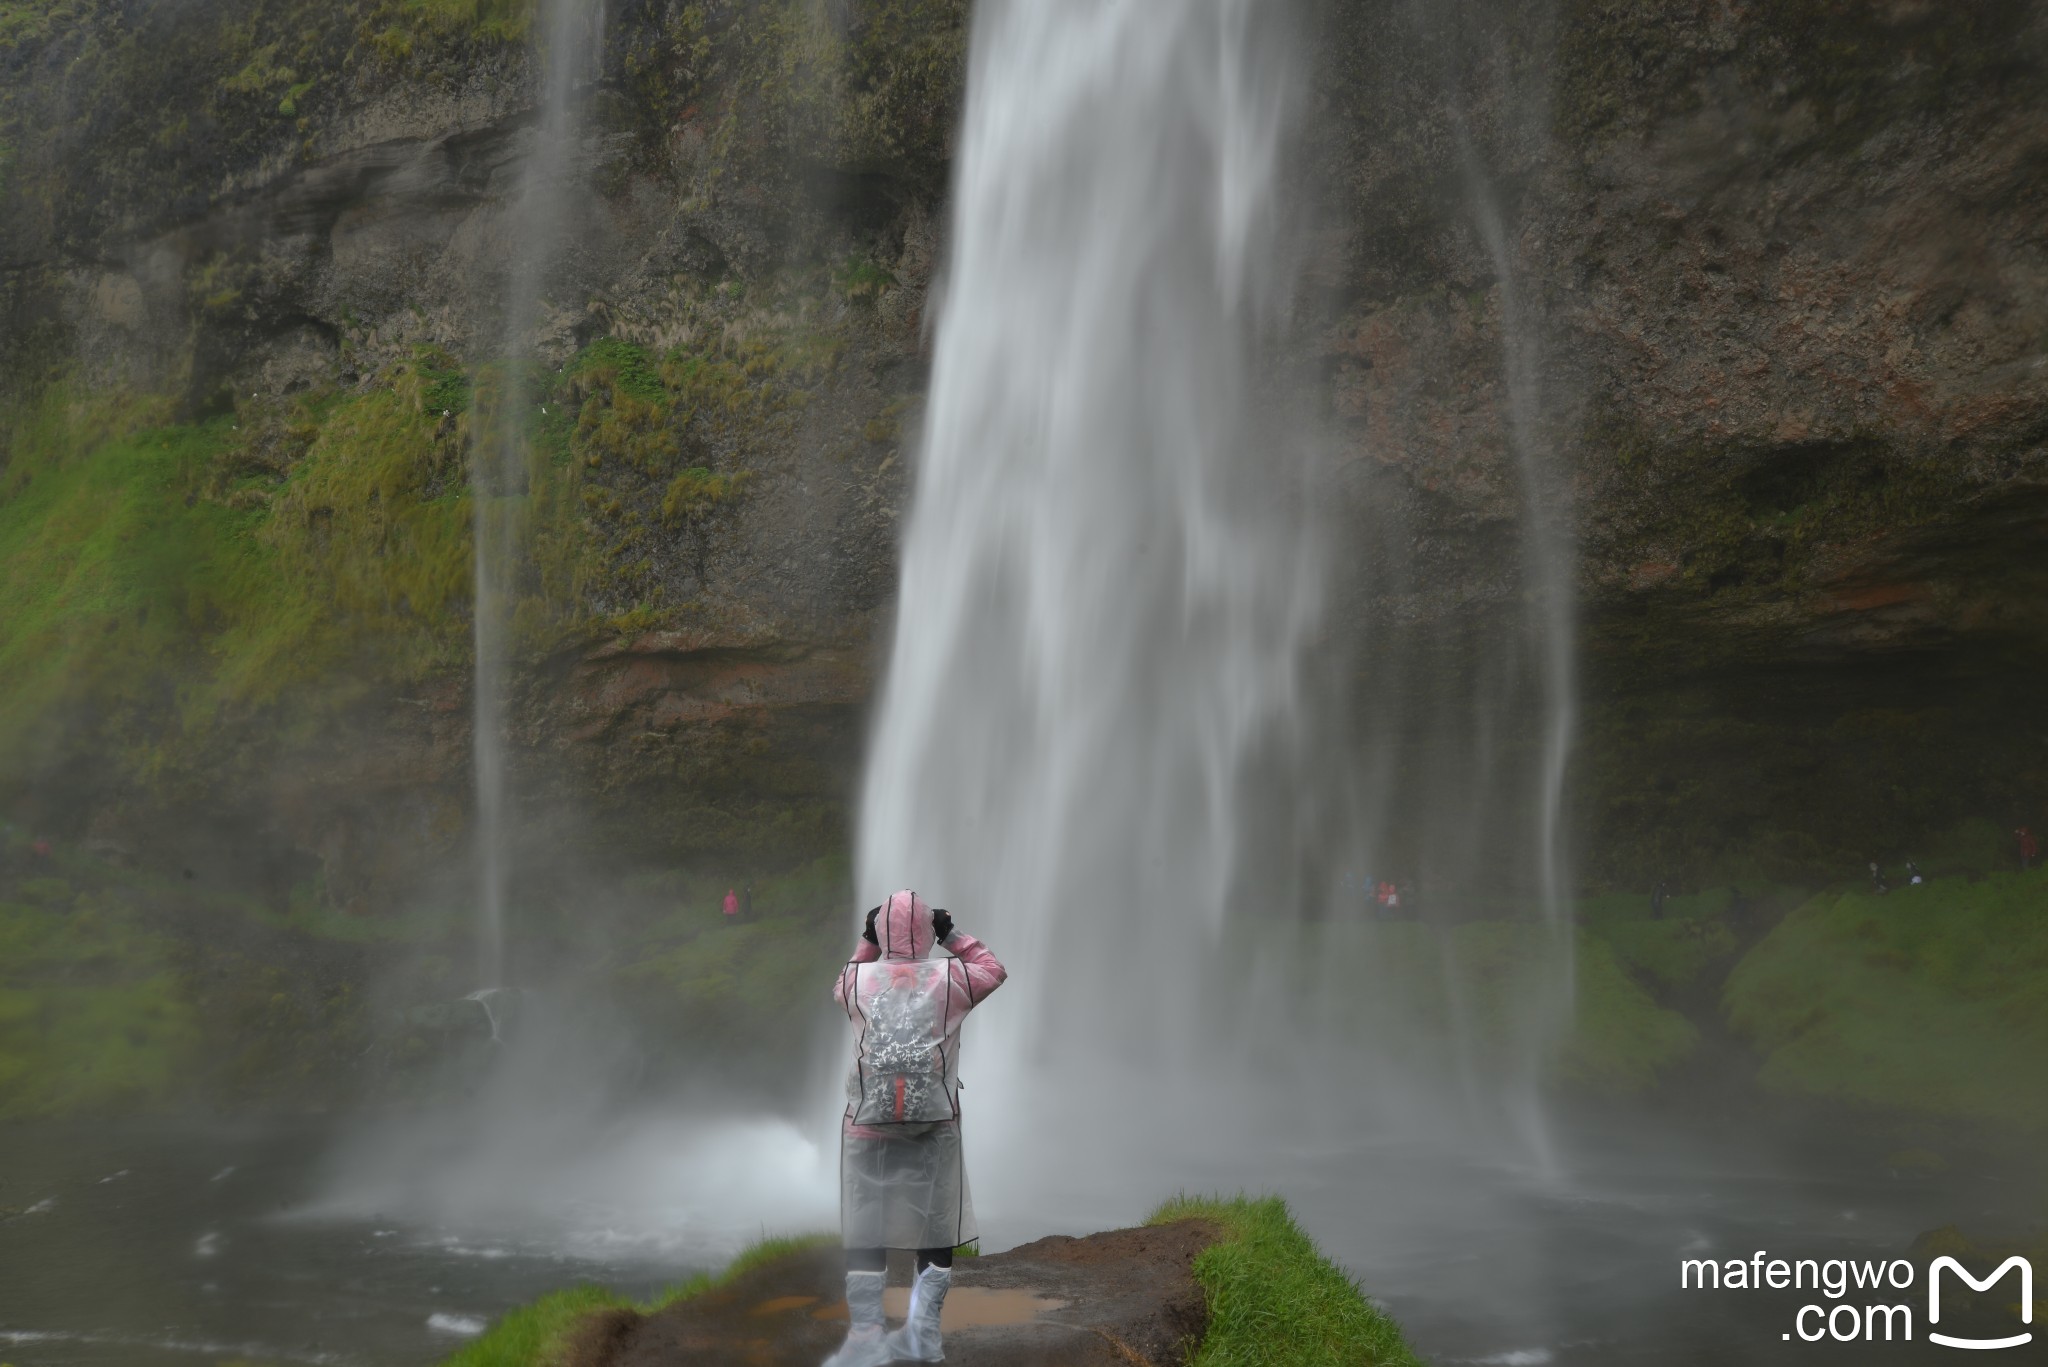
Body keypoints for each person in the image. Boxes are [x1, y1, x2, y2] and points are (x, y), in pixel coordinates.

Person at [824, 890, 1006, 1367]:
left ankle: (866, 1339)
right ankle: (924, 1336)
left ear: (880, 932)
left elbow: (839, 987)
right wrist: (952, 934)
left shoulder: (857, 979)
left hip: (867, 1121)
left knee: (867, 1222)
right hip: (934, 1122)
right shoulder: (952, 979)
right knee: (936, 1219)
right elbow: (994, 970)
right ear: (929, 932)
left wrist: (868, 940)